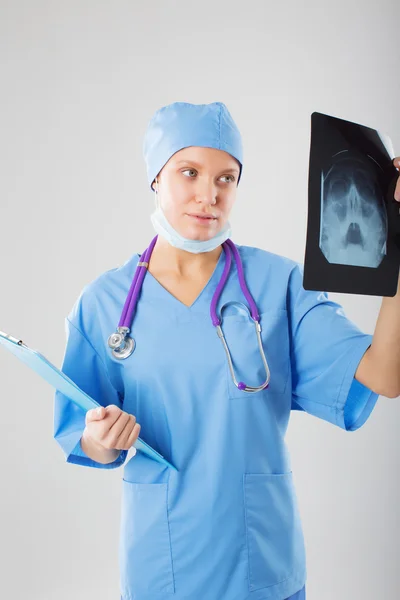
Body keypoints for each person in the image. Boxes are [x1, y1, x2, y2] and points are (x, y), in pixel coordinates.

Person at [53, 101, 381, 600]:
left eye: (227, 179)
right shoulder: (105, 303)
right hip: (162, 566)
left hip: (260, 562)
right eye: (190, 173)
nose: (210, 194)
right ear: (156, 178)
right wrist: (102, 438)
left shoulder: (280, 284)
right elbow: (82, 432)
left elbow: (385, 374)